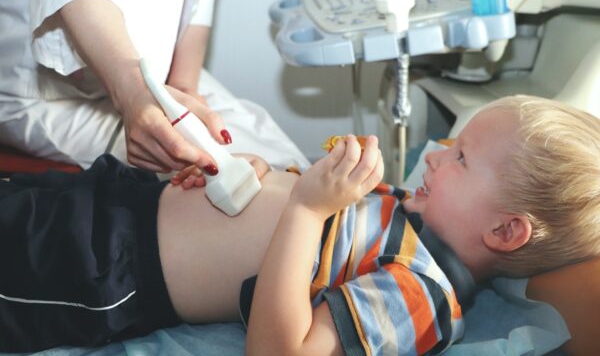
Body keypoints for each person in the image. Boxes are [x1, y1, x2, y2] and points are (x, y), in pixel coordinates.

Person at [1, 95, 600, 354]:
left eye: (462, 158)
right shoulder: (407, 207)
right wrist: (263, 174)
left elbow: (279, 350)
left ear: (504, 232)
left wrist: (306, 209)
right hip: (127, 198)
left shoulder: (422, 295)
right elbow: (305, 212)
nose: (437, 156)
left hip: (105, 264)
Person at [0, 0, 308, 180]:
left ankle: (312, 216)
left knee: (268, 148)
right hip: (44, 99)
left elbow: (185, 78)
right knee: (221, 169)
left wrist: (185, 108)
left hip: (147, 82)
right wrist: (139, 98)